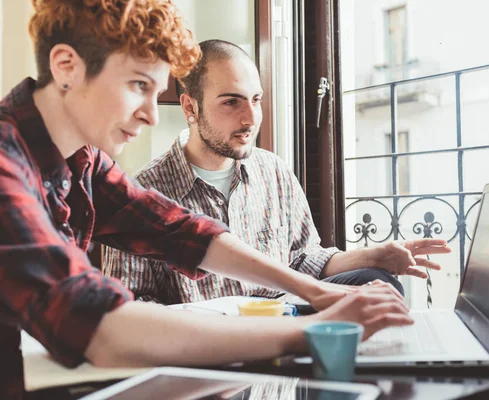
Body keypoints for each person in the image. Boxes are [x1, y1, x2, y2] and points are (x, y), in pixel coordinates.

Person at [0, 0, 416, 379]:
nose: (149, 116)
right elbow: (101, 329)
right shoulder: (5, 164)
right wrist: (316, 330)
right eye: (138, 86)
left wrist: (316, 289)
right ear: (67, 66)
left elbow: (176, 230)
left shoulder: (82, 159)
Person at [103, 39, 451, 305]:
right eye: (231, 102)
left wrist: (375, 255)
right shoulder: (144, 193)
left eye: (256, 100)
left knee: (379, 285)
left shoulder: (273, 171)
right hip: (209, 348)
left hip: (289, 324)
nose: (252, 118)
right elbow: (130, 304)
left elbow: (306, 259)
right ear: (190, 107)